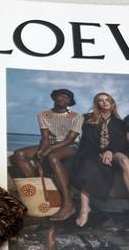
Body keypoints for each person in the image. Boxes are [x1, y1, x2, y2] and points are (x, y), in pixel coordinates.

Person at [13, 89, 83, 221]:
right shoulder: (43, 114)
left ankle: (68, 204)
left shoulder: (77, 116)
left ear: (70, 102)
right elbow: (45, 138)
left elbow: (70, 140)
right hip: (50, 144)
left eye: (67, 97)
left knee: (52, 157)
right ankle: (40, 195)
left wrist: (48, 150)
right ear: (54, 97)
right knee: (19, 154)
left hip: (71, 146)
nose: (63, 99)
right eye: (60, 96)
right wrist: (40, 153)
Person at [71, 92, 129, 227]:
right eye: (100, 100)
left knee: (125, 161)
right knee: (88, 164)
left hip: (113, 151)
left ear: (112, 103)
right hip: (92, 151)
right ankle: (85, 208)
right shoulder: (87, 118)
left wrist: (110, 151)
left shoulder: (120, 123)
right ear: (96, 104)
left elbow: (121, 142)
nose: (105, 102)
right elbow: (87, 140)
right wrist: (100, 153)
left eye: (107, 100)